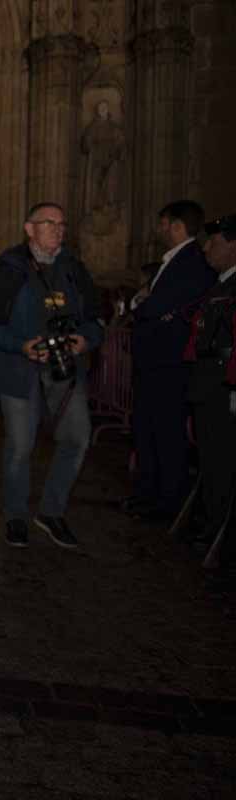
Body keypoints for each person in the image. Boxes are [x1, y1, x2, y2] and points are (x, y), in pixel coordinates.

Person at [0, 202, 103, 549]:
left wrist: (86, 339)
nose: (58, 230)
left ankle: (52, 511)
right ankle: (16, 516)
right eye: (49, 223)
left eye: (62, 224)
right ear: (29, 228)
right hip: (19, 369)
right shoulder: (9, 269)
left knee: (77, 437)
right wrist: (21, 345)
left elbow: (96, 318)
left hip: (65, 366)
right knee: (21, 446)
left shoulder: (74, 268)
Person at [125, 201, 214, 522]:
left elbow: (153, 305)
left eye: (163, 224)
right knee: (147, 430)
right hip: (154, 361)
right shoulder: (173, 261)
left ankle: (167, 501)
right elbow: (146, 301)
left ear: (176, 226)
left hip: (169, 364)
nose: (159, 230)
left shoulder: (191, 262)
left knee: (166, 434)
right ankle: (147, 493)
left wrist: (143, 305)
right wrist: (143, 303)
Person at [184, 215, 236, 579]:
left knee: (222, 464)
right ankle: (213, 527)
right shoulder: (220, 285)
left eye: (214, 242)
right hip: (208, 383)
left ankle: (221, 538)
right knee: (212, 461)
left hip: (222, 386)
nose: (206, 248)